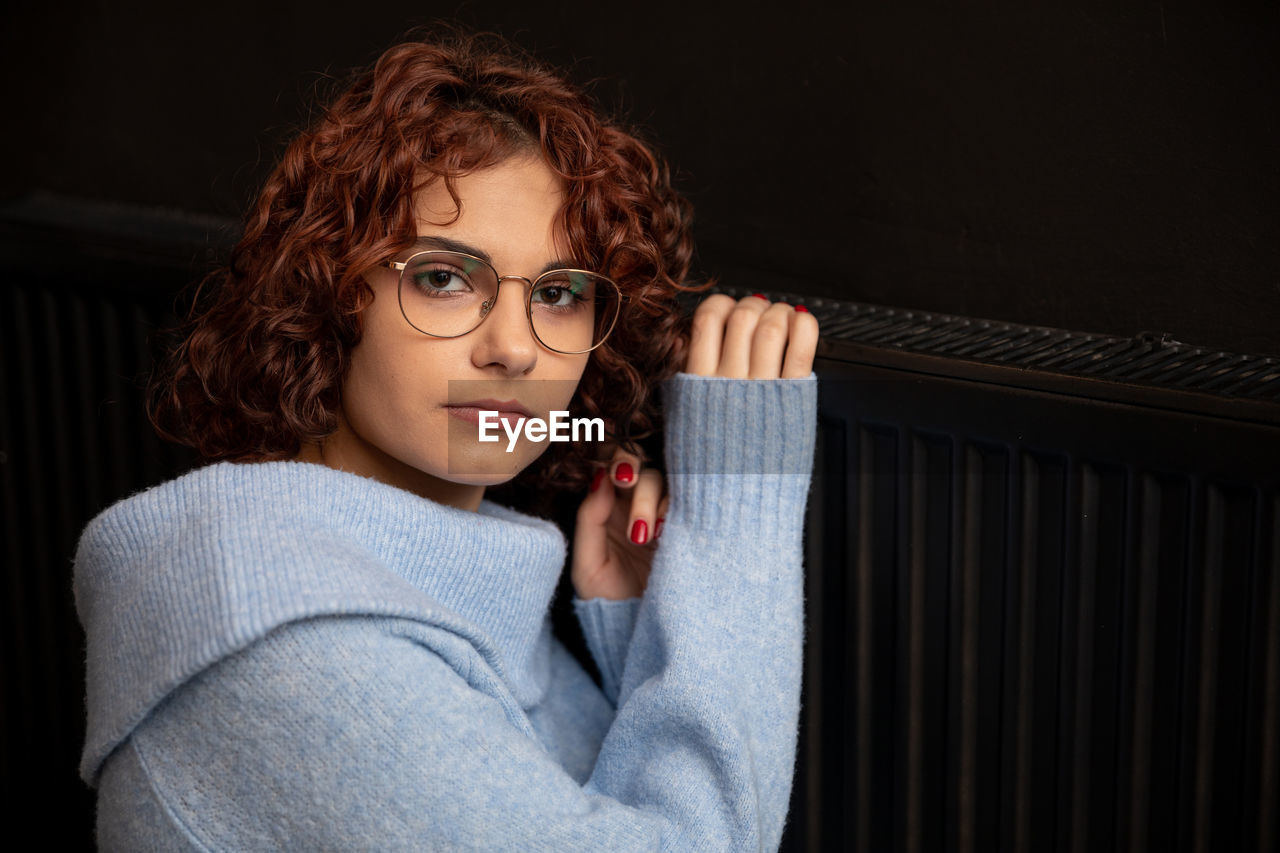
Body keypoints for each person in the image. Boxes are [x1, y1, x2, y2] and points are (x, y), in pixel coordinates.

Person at [73, 27, 820, 851]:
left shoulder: (429, 578)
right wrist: (733, 519)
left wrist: (642, 623)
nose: (515, 345)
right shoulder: (294, 647)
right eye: (442, 277)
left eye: (561, 292)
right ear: (330, 295)